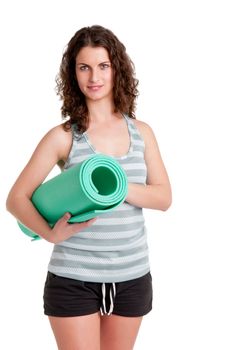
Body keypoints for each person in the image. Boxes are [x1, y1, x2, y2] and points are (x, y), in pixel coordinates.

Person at [6, 25, 172, 350]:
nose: (93, 77)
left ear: (116, 70)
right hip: (74, 277)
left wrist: (117, 189)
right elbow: (16, 198)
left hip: (132, 275)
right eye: (84, 67)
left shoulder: (142, 132)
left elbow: (164, 196)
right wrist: (50, 233)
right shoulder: (64, 136)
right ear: (74, 74)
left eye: (102, 66)